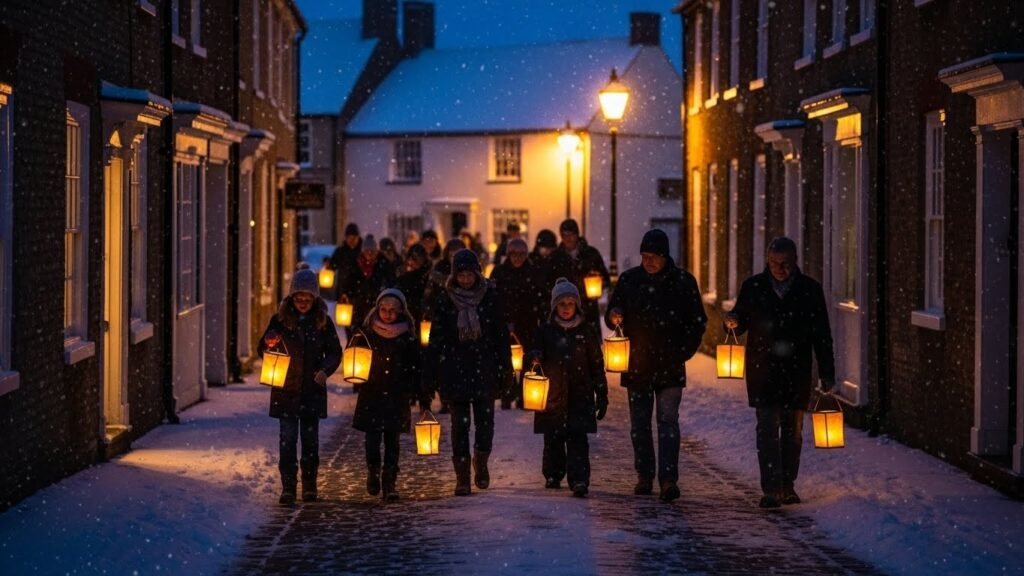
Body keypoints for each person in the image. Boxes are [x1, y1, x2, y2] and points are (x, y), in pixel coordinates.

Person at [724, 236, 836, 509]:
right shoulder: (754, 288)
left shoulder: (809, 290)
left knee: (792, 431)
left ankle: (788, 484)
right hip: (763, 370)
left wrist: (827, 371)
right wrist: (733, 322)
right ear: (768, 261)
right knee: (766, 430)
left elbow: (822, 334)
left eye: (785, 264)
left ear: (795, 261)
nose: (780, 269)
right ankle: (771, 488)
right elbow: (740, 319)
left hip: (796, 371)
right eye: (775, 263)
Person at [606, 228, 707, 502]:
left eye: (653, 257)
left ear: (665, 257)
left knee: (667, 422)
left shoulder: (683, 282)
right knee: (639, 424)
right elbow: (613, 312)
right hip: (637, 365)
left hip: (669, 366)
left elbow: (698, 321)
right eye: (645, 256)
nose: (648, 261)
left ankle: (668, 478)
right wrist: (615, 316)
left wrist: (683, 352)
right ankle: (645, 475)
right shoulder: (630, 280)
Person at [422, 249, 513, 496]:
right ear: (454, 275)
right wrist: (429, 376)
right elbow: (436, 340)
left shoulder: (489, 297)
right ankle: (462, 477)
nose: (465, 279)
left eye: (469, 274)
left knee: (485, 424)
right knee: (459, 426)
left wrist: (506, 369)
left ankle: (480, 462)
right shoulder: (444, 300)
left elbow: (500, 335)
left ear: (477, 273)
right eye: (460, 275)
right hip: (455, 370)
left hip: (484, 368)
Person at [257, 268, 342, 505]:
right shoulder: (280, 321)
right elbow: (263, 347)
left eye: (307, 298)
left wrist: (324, 369)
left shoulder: (322, 323)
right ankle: (288, 487)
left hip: (312, 391)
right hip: (286, 391)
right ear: (291, 298)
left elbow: (335, 352)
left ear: (314, 299)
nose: (303, 302)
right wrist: (269, 344)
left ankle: (309, 484)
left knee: (310, 441)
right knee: (287, 439)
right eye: (298, 298)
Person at [528, 278, 608, 497]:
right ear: (555, 306)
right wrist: (535, 357)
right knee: (553, 437)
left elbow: (596, 365)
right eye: (561, 304)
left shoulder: (586, 332)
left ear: (577, 306)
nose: (566, 309)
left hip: (579, 395)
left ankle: (579, 479)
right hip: (552, 395)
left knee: (577, 439)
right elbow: (534, 353)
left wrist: (601, 394)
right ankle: (553, 473)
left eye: (570, 304)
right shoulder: (545, 331)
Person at [352, 288, 425, 502]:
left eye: (393, 310)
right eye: (383, 309)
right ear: (377, 309)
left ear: (401, 311)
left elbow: (416, 367)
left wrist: (422, 395)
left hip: (396, 394)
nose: (387, 314)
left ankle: (390, 480)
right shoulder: (367, 334)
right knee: (372, 440)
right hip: (372, 394)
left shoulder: (407, 338)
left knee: (393, 441)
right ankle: (373, 471)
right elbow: (355, 355)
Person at [490, 237, 547, 409]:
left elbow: (541, 296)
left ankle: (523, 395)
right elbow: (492, 297)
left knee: (527, 360)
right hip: (504, 323)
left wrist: (540, 316)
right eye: (513, 254)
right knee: (505, 360)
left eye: (521, 254)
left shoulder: (533, 272)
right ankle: (507, 394)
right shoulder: (499, 272)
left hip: (528, 321)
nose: (517, 258)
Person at [551, 218, 611, 333]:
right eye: (564, 235)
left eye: (571, 234)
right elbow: (548, 281)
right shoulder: (556, 258)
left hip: (588, 309)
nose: (567, 238)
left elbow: (605, 278)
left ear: (577, 235)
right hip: (564, 310)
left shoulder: (591, 254)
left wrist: (598, 282)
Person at [340, 234, 397, 350]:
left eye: (372, 251)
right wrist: (346, 295)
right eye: (367, 251)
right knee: (356, 333)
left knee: (375, 336)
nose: (370, 254)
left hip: (377, 306)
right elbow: (346, 283)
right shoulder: (355, 264)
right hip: (357, 306)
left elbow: (391, 282)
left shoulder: (383, 264)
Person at [395, 243, 432, 325]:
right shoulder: (402, 275)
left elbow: (426, 299)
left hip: (421, 319)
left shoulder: (427, 276)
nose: (411, 262)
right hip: (403, 318)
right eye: (410, 258)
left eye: (415, 259)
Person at [329, 223, 362, 301]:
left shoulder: (363, 252)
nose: (352, 240)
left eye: (354, 238)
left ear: (358, 238)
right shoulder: (340, 252)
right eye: (349, 238)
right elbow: (332, 266)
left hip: (360, 292)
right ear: (346, 238)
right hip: (343, 292)